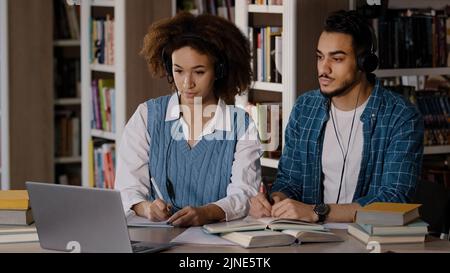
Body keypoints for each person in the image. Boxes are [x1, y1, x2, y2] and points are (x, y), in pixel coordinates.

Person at [249, 10, 424, 223]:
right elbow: (290, 182)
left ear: (364, 63)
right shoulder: (305, 108)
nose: (324, 69)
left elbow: (394, 198)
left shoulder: (401, 116)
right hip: (308, 239)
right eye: (320, 57)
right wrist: (275, 200)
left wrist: (317, 212)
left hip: (368, 239)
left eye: (337, 59)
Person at [115, 12, 261, 227]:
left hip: (219, 240)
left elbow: (244, 194)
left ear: (219, 70)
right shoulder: (147, 116)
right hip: (159, 234)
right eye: (178, 71)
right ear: (168, 68)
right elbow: (127, 188)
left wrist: (206, 213)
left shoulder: (241, 125)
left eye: (199, 72)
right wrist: (146, 208)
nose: (187, 83)